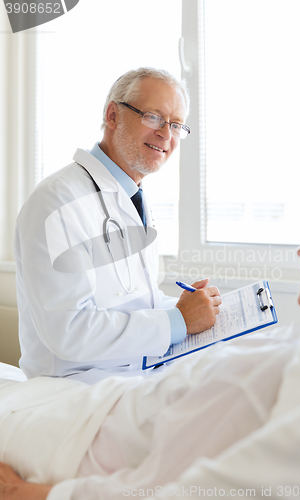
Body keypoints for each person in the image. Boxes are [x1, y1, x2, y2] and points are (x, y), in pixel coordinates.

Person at [1, 196, 300, 500]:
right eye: (155, 123)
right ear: (112, 124)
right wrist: (180, 316)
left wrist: (23, 492)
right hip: (89, 400)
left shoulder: (254, 379)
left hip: (79, 430)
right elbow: (74, 329)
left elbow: (151, 488)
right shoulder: (296, 349)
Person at [13, 67, 221, 384]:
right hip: (74, 391)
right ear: (113, 115)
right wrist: (178, 320)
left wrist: (192, 309)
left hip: (130, 378)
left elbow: (134, 302)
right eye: (154, 117)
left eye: (176, 125)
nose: (166, 135)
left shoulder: (132, 197)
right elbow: (69, 332)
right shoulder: (58, 201)